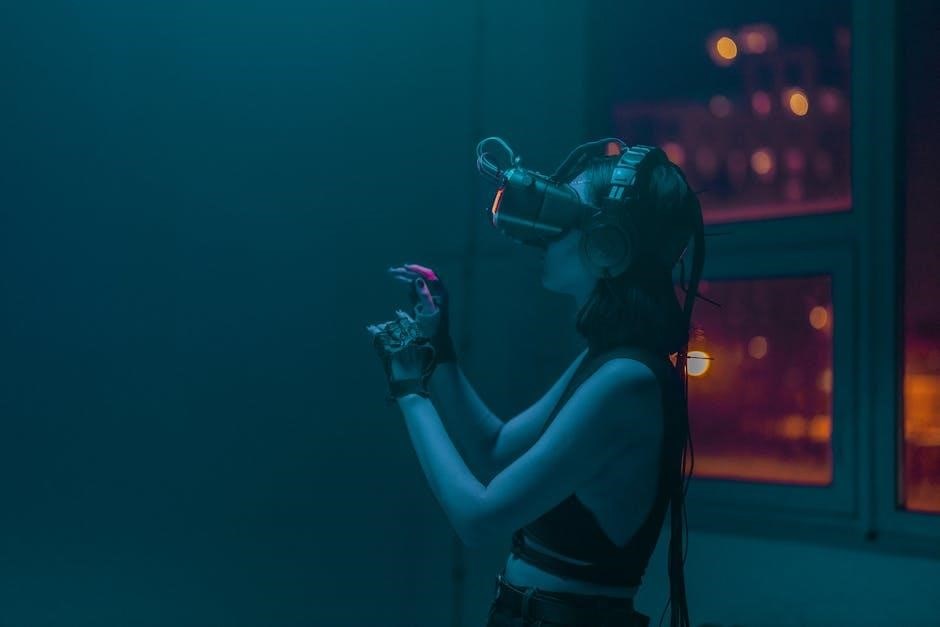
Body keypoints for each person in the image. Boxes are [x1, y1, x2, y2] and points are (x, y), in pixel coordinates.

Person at [368, 144, 703, 627]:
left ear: (606, 244)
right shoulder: (606, 363)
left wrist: (408, 392)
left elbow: (477, 518)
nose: (545, 234)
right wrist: (437, 344)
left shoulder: (626, 381)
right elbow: (496, 448)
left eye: (564, 215)